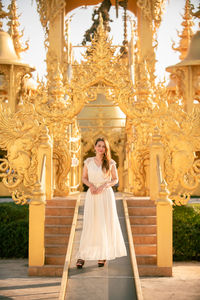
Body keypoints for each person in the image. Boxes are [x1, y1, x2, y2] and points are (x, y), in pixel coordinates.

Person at [76, 137, 127, 268]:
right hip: (92, 195)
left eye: (103, 146)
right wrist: (91, 186)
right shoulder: (88, 162)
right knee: (90, 223)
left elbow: (115, 179)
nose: (101, 148)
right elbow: (83, 178)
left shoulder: (110, 163)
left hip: (105, 195)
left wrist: (104, 186)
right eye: (99, 146)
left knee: (104, 223)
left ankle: (102, 254)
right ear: (94, 147)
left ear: (106, 149)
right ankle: (82, 255)